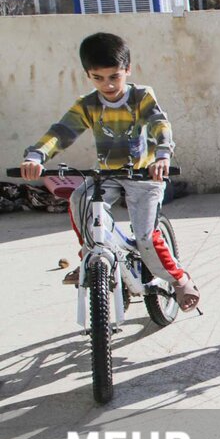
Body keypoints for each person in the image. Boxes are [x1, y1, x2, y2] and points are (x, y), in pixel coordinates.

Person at [20, 32, 200, 310]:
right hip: (107, 176)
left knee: (145, 237)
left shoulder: (141, 96)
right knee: (80, 200)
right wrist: (36, 155)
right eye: (98, 78)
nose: (108, 84)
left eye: (114, 76)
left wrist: (162, 155)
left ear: (127, 70)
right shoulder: (88, 104)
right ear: (88, 75)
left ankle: (179, 279)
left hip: (144, 176)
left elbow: (159, 125)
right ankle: (91, 258)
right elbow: (62, 132)